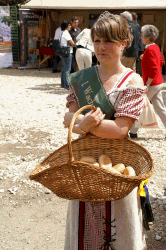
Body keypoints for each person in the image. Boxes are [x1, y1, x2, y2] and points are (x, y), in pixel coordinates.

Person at [63, 12, 148, 250]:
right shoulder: (81, 79)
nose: (101, 47)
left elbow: (120, 129)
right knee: (84, 220)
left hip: (119, 165)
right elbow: (67, 117)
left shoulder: (132, 82)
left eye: (109, 41)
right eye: (97, 40)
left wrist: (86, 124)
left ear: (124, 43)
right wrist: (83, 122)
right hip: (85, 161)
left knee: (118, 224)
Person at [130, 24, 166, 139]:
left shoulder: (150, 49)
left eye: (142, 35)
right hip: (158, 82)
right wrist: (144, 57)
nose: (141, 37)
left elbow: (155, 67)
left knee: (140, 106)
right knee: (160, 108)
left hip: (153, 84)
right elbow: (160, 62)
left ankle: (133, 131)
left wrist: (147, 84)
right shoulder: (154, 47)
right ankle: (133, 131)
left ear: (147, 37)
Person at [60, 21, 74, 89]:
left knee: (63, 68)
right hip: (67, 52)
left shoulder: (61, 32)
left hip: (62, 51)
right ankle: (67, 85)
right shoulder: (66, 33)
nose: (70, 26)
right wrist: (72, 44)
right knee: (67, 69)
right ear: (66, 26)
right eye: (69, 25)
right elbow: (72, 43)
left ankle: (63, 83)